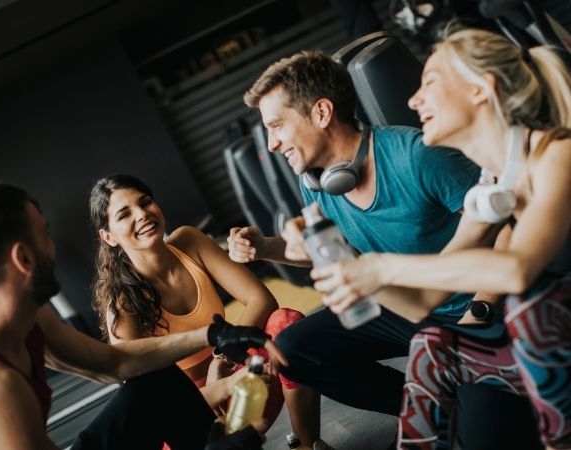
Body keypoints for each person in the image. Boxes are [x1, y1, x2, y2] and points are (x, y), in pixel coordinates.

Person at [228, 50, 542, 449]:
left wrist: (479, 310)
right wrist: (265, 248)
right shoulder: (324, 183)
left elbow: (505, 227)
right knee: (295, 348)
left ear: (322, 113)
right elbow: (329, 249)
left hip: (476, 312)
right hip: (413, 308)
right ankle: (428, 404)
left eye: (276, 126)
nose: (272, 143)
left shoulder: (416, 156)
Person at [308, 28, 571, 449]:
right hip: (543, 354)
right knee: (431, 343)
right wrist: (358, 274)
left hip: (551, 343)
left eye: (429, 83)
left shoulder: (558, 154)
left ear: (481, 90)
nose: (412, 100)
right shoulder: (493, 185)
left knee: (530, 310)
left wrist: (385, 265)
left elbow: (518, 269)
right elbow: (424, 301)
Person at [0, 181, 286, 450]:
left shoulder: (32, 316)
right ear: (23, 258)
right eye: (45, 236)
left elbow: (115, 362)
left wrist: (213, 335)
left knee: (155, 378)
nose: (52, 247)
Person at [89, 174, 319, 445]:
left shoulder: (189, 241)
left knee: (285, 323)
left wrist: (221, 359)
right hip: (184, 415)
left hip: (233, 372)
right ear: (108, 236)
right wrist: (221, 387)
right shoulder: (122, 302)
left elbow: (261, 299)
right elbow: (148, 406)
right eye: (124, 214)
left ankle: (308, 444)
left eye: (146, 202)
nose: (142, 214)